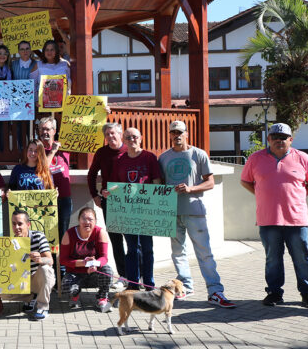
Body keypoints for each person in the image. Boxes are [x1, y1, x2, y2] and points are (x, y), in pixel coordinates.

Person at [241, 123, 308, 308]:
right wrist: (261, 194)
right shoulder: (255, 159)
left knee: (302, 258)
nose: (279, 140)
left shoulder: (302, 158)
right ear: (268, 139)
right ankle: (274, 293)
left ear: (290, 140)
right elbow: (245, 181)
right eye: (275, 137)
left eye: (283, 137)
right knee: (273, 259)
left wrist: (297, 197)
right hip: (268, 219)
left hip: (297, 219)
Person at [159, 120, 236, 308]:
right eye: (173, 132)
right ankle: (185, 287)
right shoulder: (163, 158)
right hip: (172, 212)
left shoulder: (198, 154)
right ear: (169, 135)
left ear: (187, 134)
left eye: (180, 132)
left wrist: (191, 189)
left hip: (195, 211)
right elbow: (158, 184)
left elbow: (209, 182)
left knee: (204, 253)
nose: (176, 136)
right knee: (178, 253)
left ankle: (215, 291)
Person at [102, 127, 161, 290]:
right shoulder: (120, 160)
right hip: (127, 212)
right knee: (132, 248)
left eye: (134, 137)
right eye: (128, 137)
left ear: (140, 138)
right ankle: (133, 284)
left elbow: (157, 181)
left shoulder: (149, 157)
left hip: (146, 211)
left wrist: (157, 205)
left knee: (147, 248)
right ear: (124, 140)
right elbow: (116, 186)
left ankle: (149, 283)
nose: (131, 140)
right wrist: (108, 192)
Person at [0, 210, 55, 320]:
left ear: (28, 224)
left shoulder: (38, 237)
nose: (16, 227)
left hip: (36, 279)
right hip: (20, 281)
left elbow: (50, 260)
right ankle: (31, 298)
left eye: (20, 223)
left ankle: (43, 307)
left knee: (46, 269)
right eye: (14, 224)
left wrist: (40, 259)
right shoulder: (10, 242)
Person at [87, 122, 126, 290]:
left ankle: (136, 275)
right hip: (110, 202)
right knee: (116, 241)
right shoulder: (102, 152)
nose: (110, 137)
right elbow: (92, 174)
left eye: (113, 133)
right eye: (107, 134)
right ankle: (123, 276)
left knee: (135, 243)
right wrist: (94, 195)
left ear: (120, 134)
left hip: (132, 204)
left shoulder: (129, 150)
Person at [60, 207, 114, 313]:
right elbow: (63, 260)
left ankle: (102, 297)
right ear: (79, 220)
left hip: (94, 271)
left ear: (95, 221)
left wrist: (95, 264)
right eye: (84, 219)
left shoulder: (100, 232)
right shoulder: (69, 234)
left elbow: (104, 257)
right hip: (75, 272)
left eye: (90, 219)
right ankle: (74, 296)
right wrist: (83, 263)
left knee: (108, 271)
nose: (87, 222)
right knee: (66, 286)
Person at [38, 116, 71, 239]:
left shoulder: (65, 147)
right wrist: (52, 151)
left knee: (63, 235)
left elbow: (88, 137)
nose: (44, 132)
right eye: (41, 129)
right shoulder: (36, 149)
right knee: (46, 236)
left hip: (64, 198)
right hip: (45, 199)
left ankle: (61, 259)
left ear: (54, 131)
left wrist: (102, 114)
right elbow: (43, 170)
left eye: (47, 129)